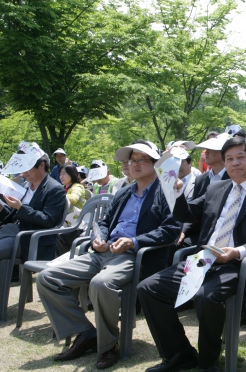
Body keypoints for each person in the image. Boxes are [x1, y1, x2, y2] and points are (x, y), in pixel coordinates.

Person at [138, 137, 246, 372]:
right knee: (149, 288)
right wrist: (175, 194)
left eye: (240, 157)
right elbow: (187, 214)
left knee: (206, 297)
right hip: (202, 259)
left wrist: (238, 251)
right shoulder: (216, 188)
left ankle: (208, 362)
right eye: (229, 159)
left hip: (236, 264)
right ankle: (180, 354)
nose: (234, 163)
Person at [37, 140, 179, 369]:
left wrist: (133, 242)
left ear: (155, 164)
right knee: (47, 278)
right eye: (132, 160)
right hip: (103, 252)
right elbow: (104, 222)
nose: (135, 165)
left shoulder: (166, 192)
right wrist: (99, 237)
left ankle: (107, 346)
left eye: (142, 159)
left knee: (101, 284)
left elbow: (171, 230)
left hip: (132, 255)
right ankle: (86, 334)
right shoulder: (123, 192)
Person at [0, 145, 67, 264]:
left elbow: (48, 220)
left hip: (30, 239)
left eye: (27, 168)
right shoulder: (24, 186)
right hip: (13, 233)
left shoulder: (55, 189)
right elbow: (13, 217)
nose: (23, 173)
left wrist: (20, 207)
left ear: (41, 165)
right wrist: (1, 209)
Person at [173, 135, 231, 256]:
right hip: (198, 231)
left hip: (220, 235)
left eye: (211, 150)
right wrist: (183, 231)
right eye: (205, 150)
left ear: (223, 153)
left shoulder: (232, 178)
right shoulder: (201, 179)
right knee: (173, 242)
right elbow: (194, 209)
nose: (206, 153)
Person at [55, 164, 87, 256]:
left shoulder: (77, 187)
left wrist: (56, 196)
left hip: (78, 225)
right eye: (60, 174)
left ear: (72, 174)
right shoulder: (62, 188)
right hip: (65, 224)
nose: (61, 177)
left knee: (55, 236)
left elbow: (73, 199)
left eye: (64, 174)